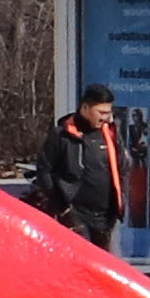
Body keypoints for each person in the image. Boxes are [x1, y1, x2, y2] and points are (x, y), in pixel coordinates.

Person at [33, 83, 135, 250]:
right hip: (75, 214)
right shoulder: (61, 135)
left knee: (101, 267)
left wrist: (119, 202)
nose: (106, 118)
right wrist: (63, 208)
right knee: (80, 264)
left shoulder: (110, 133)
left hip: (105, 216)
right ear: (85, 108)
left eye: (108, 112)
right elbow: (44, 171)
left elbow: (123, 167)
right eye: (101, 112)